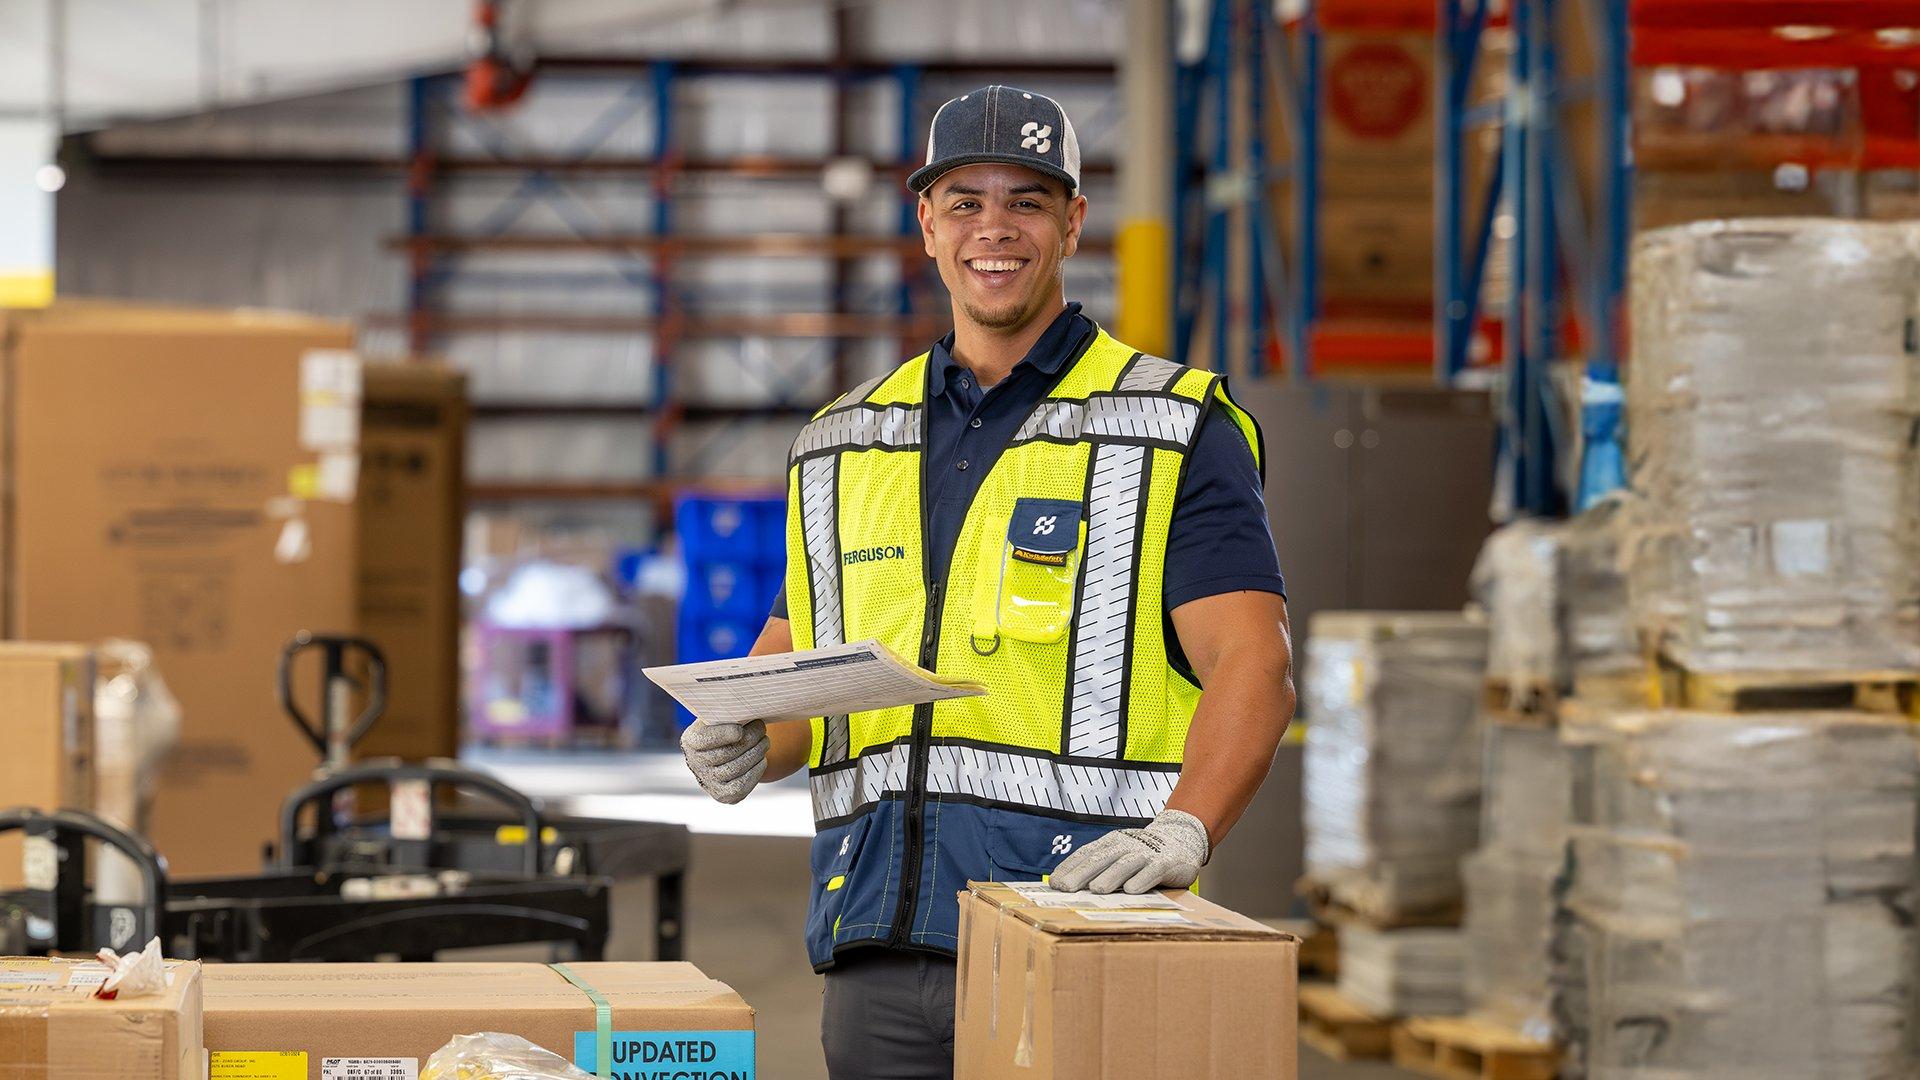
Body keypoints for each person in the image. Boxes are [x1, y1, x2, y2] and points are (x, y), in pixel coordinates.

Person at [681, 85, 1294, 1079]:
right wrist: (745, 735)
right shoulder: (840, 441)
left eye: (1027, 201)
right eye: (965, 202)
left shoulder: (1173, 425)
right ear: (926, 224)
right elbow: (801, 664)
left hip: (1082, 931)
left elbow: (1253, 662)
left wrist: (1187, 827)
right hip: (874, 944)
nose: (993, 229)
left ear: (1073, 223)